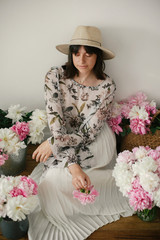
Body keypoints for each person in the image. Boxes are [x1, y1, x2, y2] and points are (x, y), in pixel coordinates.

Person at [28, 25, 134, 240]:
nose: (81, 60)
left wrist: (54, 144)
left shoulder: (107, 85)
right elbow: (56, 122)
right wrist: (72, 164)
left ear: (99, 56)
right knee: (52, 181)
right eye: (76, 53)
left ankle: (111, 186)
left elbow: (89, 132)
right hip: (63, 135)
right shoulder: (55, 76)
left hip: (95, 140)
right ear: (71, 54)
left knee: (63, 178)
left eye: (88, 53)